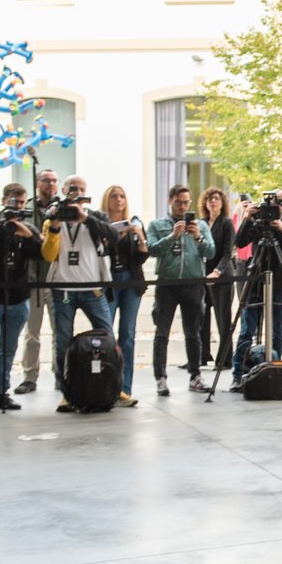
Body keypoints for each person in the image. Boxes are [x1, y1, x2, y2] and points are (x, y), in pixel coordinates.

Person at [42, 175, 121, 413]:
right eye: (72, 189)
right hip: (63, 288)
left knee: (108, 337)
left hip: (93, 288)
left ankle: (114, 388)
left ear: (86, 194)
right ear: (64, 191)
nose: (76, 193)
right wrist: (55, 226)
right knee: (62, 342)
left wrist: (84, 217)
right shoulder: (53, 216)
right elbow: (47, 254)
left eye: (81, 189)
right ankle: (65, 393)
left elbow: (114, 236)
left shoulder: (96, 216)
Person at [0, 183, 43, 412]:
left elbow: (43, 253)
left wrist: (28, 235)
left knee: (8, 348)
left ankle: (0, 392)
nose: (18, 207)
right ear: (4, 200)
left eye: (22, 203)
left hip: (18, 297)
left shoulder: (27, 228)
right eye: (14, 201)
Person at [147, 184, 215, 398]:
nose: (183, 207)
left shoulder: (201, 225)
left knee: (193, 333)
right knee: (162, 333)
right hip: (167, 284)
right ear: (170, 201)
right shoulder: (157, 224)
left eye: (186, 203)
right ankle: (161, 378)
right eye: (178, 203)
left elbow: (211, 251)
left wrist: (198, 238)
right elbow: (152, 249)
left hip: (193, 283)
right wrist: (171, 237)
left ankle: (195, 376)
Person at [229, 191, 282, 391]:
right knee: (246, 331)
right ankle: (238, 375)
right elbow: (240, 241)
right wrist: (248, 218)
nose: (279, 208)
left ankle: (273, 371)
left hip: (279, 285)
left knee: (277, 332)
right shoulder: (258, 224)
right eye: (277, 204)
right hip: (255, 284)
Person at [101, 185, 148, 407]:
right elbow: (98, 255)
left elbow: (141, 258)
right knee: (107, 336)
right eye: (114, 196)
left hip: (131, 282)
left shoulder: (135, 222)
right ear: (107, 200)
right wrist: (112, 236)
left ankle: (124, 389)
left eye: (122, 196)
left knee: (127, 335)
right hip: (109, 282)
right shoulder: (100, 225)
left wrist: (140, 238)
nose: (118, 200)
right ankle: (105, 386)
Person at [16, 167, 60, 395]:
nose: (50, 185)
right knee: (32, 332)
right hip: (32, 279)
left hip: (56, 278)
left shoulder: (61, 209)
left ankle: (59, 375)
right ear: (37, 183)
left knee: (58, 331)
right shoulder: (28, 208)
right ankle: (29, 376)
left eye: (54, 181)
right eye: (46, 180)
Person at [199, 186, 235, 371]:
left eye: (217, 199)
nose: (213, 201)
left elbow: (228, 253)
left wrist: (217, 272)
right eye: (210, 199)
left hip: (222, 278)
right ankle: (202, 356)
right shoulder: (202, 223)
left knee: (223, 319)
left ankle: (225, 359)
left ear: (222, 203)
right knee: (201, 316)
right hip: (203, 277)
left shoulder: (226, 223)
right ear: (205, 203)